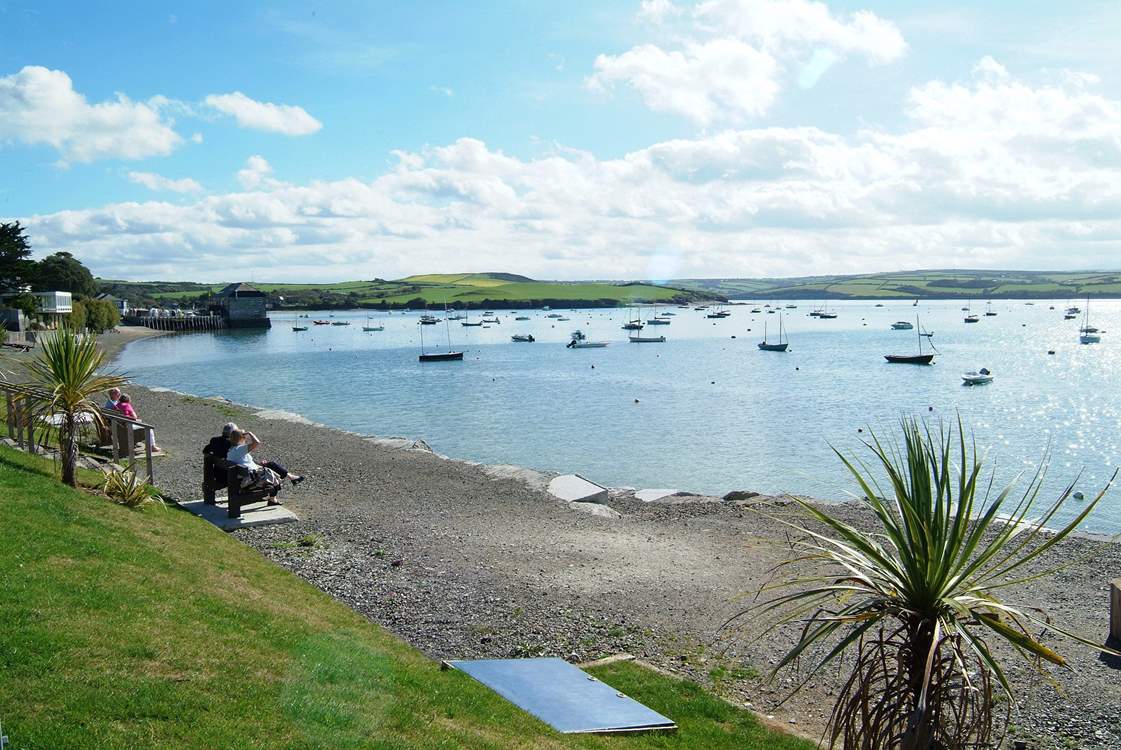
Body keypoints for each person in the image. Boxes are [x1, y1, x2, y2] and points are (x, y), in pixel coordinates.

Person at [227, 429, 304, 499]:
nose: (245, 438)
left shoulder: (231, 450)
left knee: (270, 464)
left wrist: (259, 463)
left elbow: (246, 461)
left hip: (247, 474)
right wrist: (250, 433)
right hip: (252, 478)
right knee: (270, 471)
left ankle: (291, 477)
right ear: (241, 438)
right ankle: (273, 498)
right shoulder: (239, 449)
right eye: (244, 437)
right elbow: (257, 442)